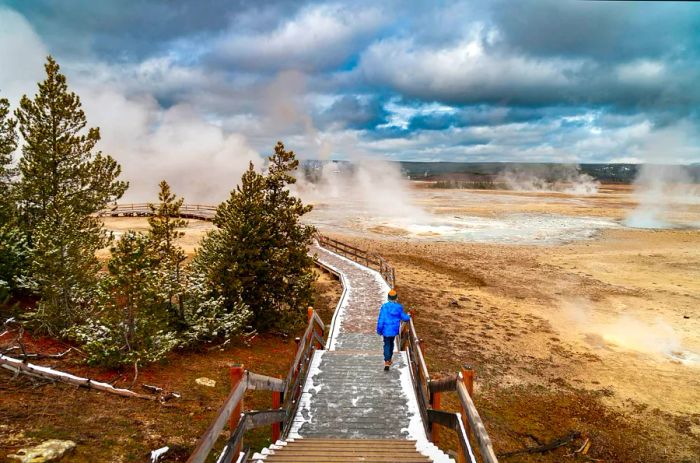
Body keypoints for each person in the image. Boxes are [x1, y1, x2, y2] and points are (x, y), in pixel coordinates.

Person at [376, 289, 411, 371]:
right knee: (391, 343)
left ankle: (387, 361)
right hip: (394, 330)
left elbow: (381, 319)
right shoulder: (399, 307)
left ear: (388, 298)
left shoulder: (384, 307)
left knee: (386, 344)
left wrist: (379, 330)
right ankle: (389, 359)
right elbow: (404, 317)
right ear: (396, 298)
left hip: (385, 330)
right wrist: (409, 316)